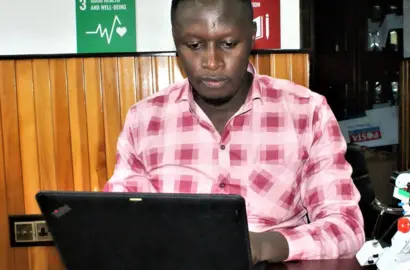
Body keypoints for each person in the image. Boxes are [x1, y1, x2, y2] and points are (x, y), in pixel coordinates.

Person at [103, 0, 365, 264]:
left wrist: (264, 246)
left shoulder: (308, 113)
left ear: (252, 36)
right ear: (176, 39)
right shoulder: (144, 120)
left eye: (228, 44)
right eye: (194, 46)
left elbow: (346, 228)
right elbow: (119, 223)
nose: (212, 62)